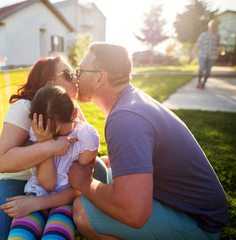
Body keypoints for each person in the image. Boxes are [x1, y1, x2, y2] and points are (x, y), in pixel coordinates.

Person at [68, 42, 229, 240]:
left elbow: (134, 213)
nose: (76, 76)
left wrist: (84, 182)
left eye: (81, 71)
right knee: (104, 175)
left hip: (199, 223)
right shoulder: (131, 100)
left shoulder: (125, 120)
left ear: (100, 78)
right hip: (190, 207)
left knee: (82, 210)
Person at [0, 56, 108, 239]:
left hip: (59, 184)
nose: (76, 79)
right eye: (68, 74)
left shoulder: (73, 110)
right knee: (2, 236)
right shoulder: (24, 108)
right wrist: (49, 146)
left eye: (74, 73)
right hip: (13, 179)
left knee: (97, 168)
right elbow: (3, 163)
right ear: (49, 82)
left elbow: (82, 156)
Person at [6, 85, 100, 239]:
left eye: (57, 133)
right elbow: (48, 185)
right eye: (49, 133)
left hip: (67, 201)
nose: (52, 137)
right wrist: (46, 146)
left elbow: (79, 189)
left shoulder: (87, 137)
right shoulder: (41, 130)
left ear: (74, 114)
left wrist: (34, 204)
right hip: (38, 191)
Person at [191, 19, 220, 89]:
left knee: (208, 71)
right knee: (201, 68)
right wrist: (193, 54)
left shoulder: (217, 35)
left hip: (212, 56)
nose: (213, 27)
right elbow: (198, 45)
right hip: (202, 55)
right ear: (209, 26)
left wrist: (218, 53)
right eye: (212, 25)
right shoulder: (203, 35)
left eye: (214, 25)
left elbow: (217, 45)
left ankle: (203, 84)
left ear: (216, 27)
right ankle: (199, 82)